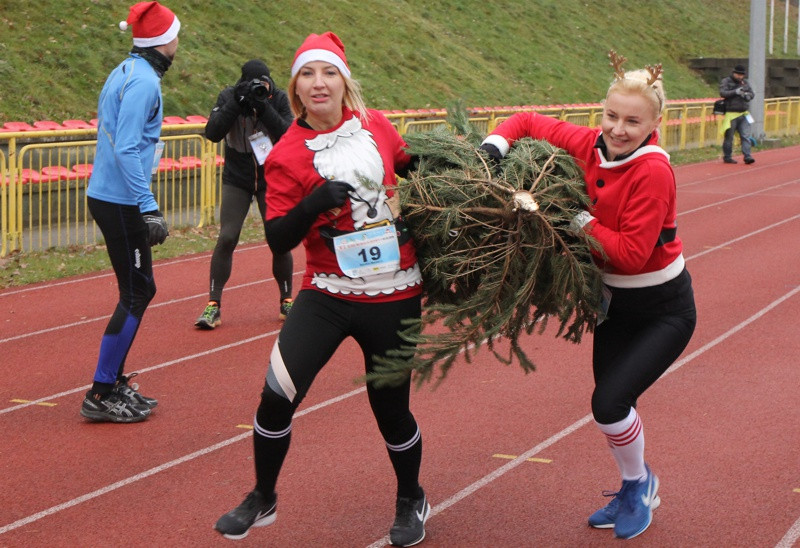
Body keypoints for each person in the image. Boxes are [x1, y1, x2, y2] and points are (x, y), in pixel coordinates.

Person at [213, 32, 430, 546]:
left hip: (394, 292)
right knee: (275, 395)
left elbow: (408, 167)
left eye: (328, 72)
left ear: (344, 80)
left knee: (390, 407)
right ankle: (263, 496)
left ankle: (411, 498)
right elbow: (277, 237)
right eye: (307, 75)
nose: (318, 83)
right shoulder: (286, 153)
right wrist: (313, 204)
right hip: (327, 292)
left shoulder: (376, 124)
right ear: (294, 88)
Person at [480, 52, 696, 539]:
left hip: (664, 310)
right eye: (611, 116)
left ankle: (639, 486)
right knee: (612, 405)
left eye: (633, 121)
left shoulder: (654, 171)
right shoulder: (590, 142)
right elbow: (527, 120)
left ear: (655, 123)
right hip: (614, 306)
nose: (618, 130)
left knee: (609, 404)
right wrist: (495, 144)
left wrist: (572, 217)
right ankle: (634, 483)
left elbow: (629, 255)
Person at [81, 1, 180, 423]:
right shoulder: (144, 83)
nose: (179, 42)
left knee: (141, 290)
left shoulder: (125, 70)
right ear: (163, 41)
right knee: (138, 292)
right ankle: (102, 393)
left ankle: (113, 381)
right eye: (176, 34)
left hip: (110, 194)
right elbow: (125, 147)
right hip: (120, 200)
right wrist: (149, 205)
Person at [194, 60, 295, 329]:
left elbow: (287, 135)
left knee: (279, 237)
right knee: (227, 236)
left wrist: (262, 106)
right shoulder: (229, 96)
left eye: (263, 86)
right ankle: (213, 305)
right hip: (236, 177)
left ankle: (287, 299)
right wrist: (237, 104)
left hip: (271, 177)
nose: (259, 90)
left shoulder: (279, 98)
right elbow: (212, 133)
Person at [719, 64, 756, 164]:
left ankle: (747, 156)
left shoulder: (745, 83)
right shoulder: (726, 81)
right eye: (738, 74)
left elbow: (752, 93)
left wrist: (747, 95)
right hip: (731, 113)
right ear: (733, 73)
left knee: (745, 136)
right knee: (729, 137)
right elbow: (722, 93)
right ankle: (727, 156)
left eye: (741, 75)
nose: (739, 76)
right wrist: (735, 92)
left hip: (744, 113)